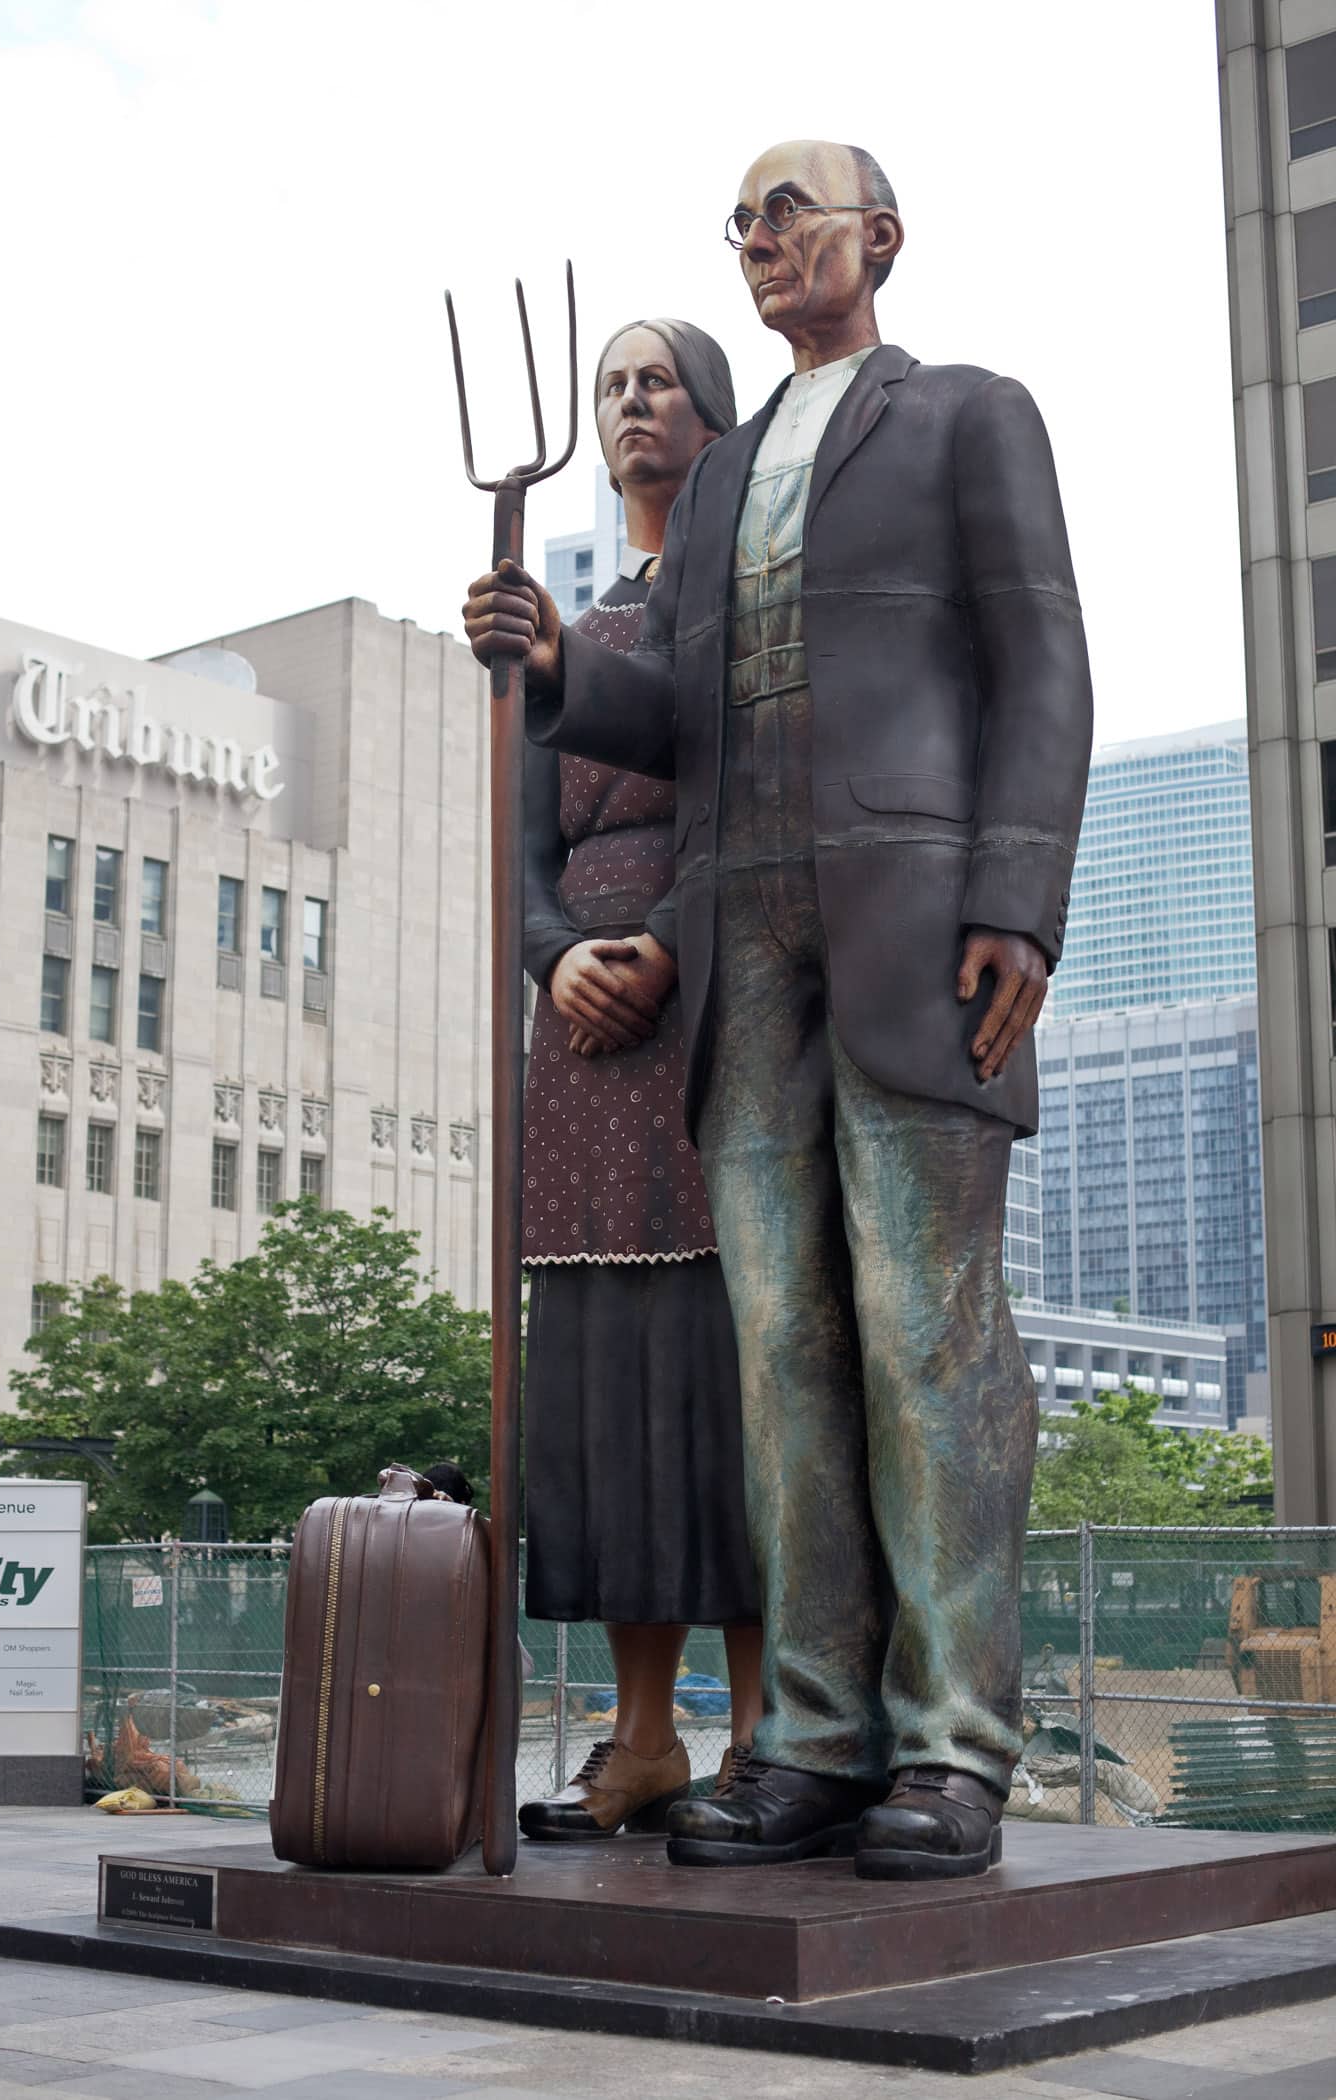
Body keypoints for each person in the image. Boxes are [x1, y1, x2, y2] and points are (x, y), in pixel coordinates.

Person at [463, 140, 1093, 1881]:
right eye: (737, 221)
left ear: (878, 239)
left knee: (927, 1336)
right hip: (744, 953)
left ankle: (956, 1745)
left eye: (788, 211)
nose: (758, 240)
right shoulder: (727, 477)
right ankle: (809, 1736)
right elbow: (677, 715)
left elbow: (1041, 653)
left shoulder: (970, 416)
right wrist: (561, 665)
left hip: (915, 935)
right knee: (786, 1355)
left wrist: (1015, 900)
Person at [514, 318, 762, 1844]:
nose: (629, 405)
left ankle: (769, 1736)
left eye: (656, 380)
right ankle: (643, 1736)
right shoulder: (575, 630)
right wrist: (556, 958)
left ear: (714, 417)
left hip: (717, 995)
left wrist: (666, 940)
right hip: (580, 1043)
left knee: (730, 1374)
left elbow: (762, 803)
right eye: (611, 386)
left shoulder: (752, 611)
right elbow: (523, 851)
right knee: (602, 1384)